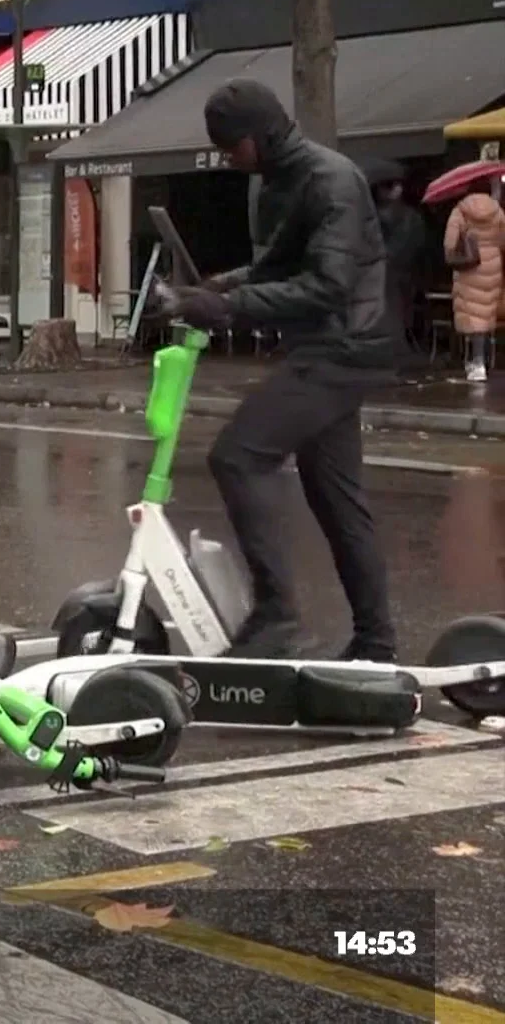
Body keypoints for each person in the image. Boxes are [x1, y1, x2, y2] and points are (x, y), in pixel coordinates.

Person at [156, 78, 398, 662]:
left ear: (261, 136)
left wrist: (229, 307)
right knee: (335, 500)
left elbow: (327, 286)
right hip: (326, 349)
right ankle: (376, 644)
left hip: (344, 350)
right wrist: (218, 287)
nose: (227, 159)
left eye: (231, 147)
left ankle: (277, 616)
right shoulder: (279, 182)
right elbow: (278, 267)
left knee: (238, 455)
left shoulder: (331, 180)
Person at [443, 178, 501, 383]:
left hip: (468, 267)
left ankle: (475, 363)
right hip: (491, 267)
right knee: (484, 315)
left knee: (471, 314)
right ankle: (480, 360)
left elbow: (450, 243)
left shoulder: (460, 211)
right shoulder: (498, 212)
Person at [373, 177, 429, 353]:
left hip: (393, 273)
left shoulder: (382, 216)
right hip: (405, 273)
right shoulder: (411, 217)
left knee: (395, 312)